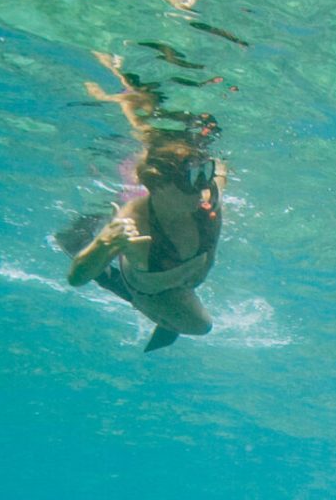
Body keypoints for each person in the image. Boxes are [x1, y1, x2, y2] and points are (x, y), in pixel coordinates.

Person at [61, 133, 223, 352]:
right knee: (200, 325)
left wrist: (204, 267)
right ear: (159, 186)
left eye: (205, 174)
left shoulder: (208, 200)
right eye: (191, 180)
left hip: (179, 279)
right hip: (148, 289)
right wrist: (105, 244)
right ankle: (91, 257)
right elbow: (76, 279)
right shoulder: (133, 224)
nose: (202, 187)